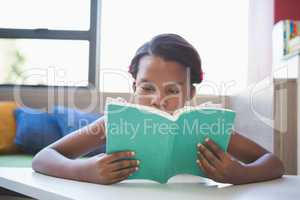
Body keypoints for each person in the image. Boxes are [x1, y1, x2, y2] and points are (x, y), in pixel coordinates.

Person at [32, 33, 284, 185]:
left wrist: (240, 173)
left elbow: (273, 163)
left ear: (190, 93)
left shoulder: (207, 126)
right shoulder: (113, 123)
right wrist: (84, 170)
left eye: (173, 91)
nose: (158, 100)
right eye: (147, 88)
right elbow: (43, 157)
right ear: (134, 87)